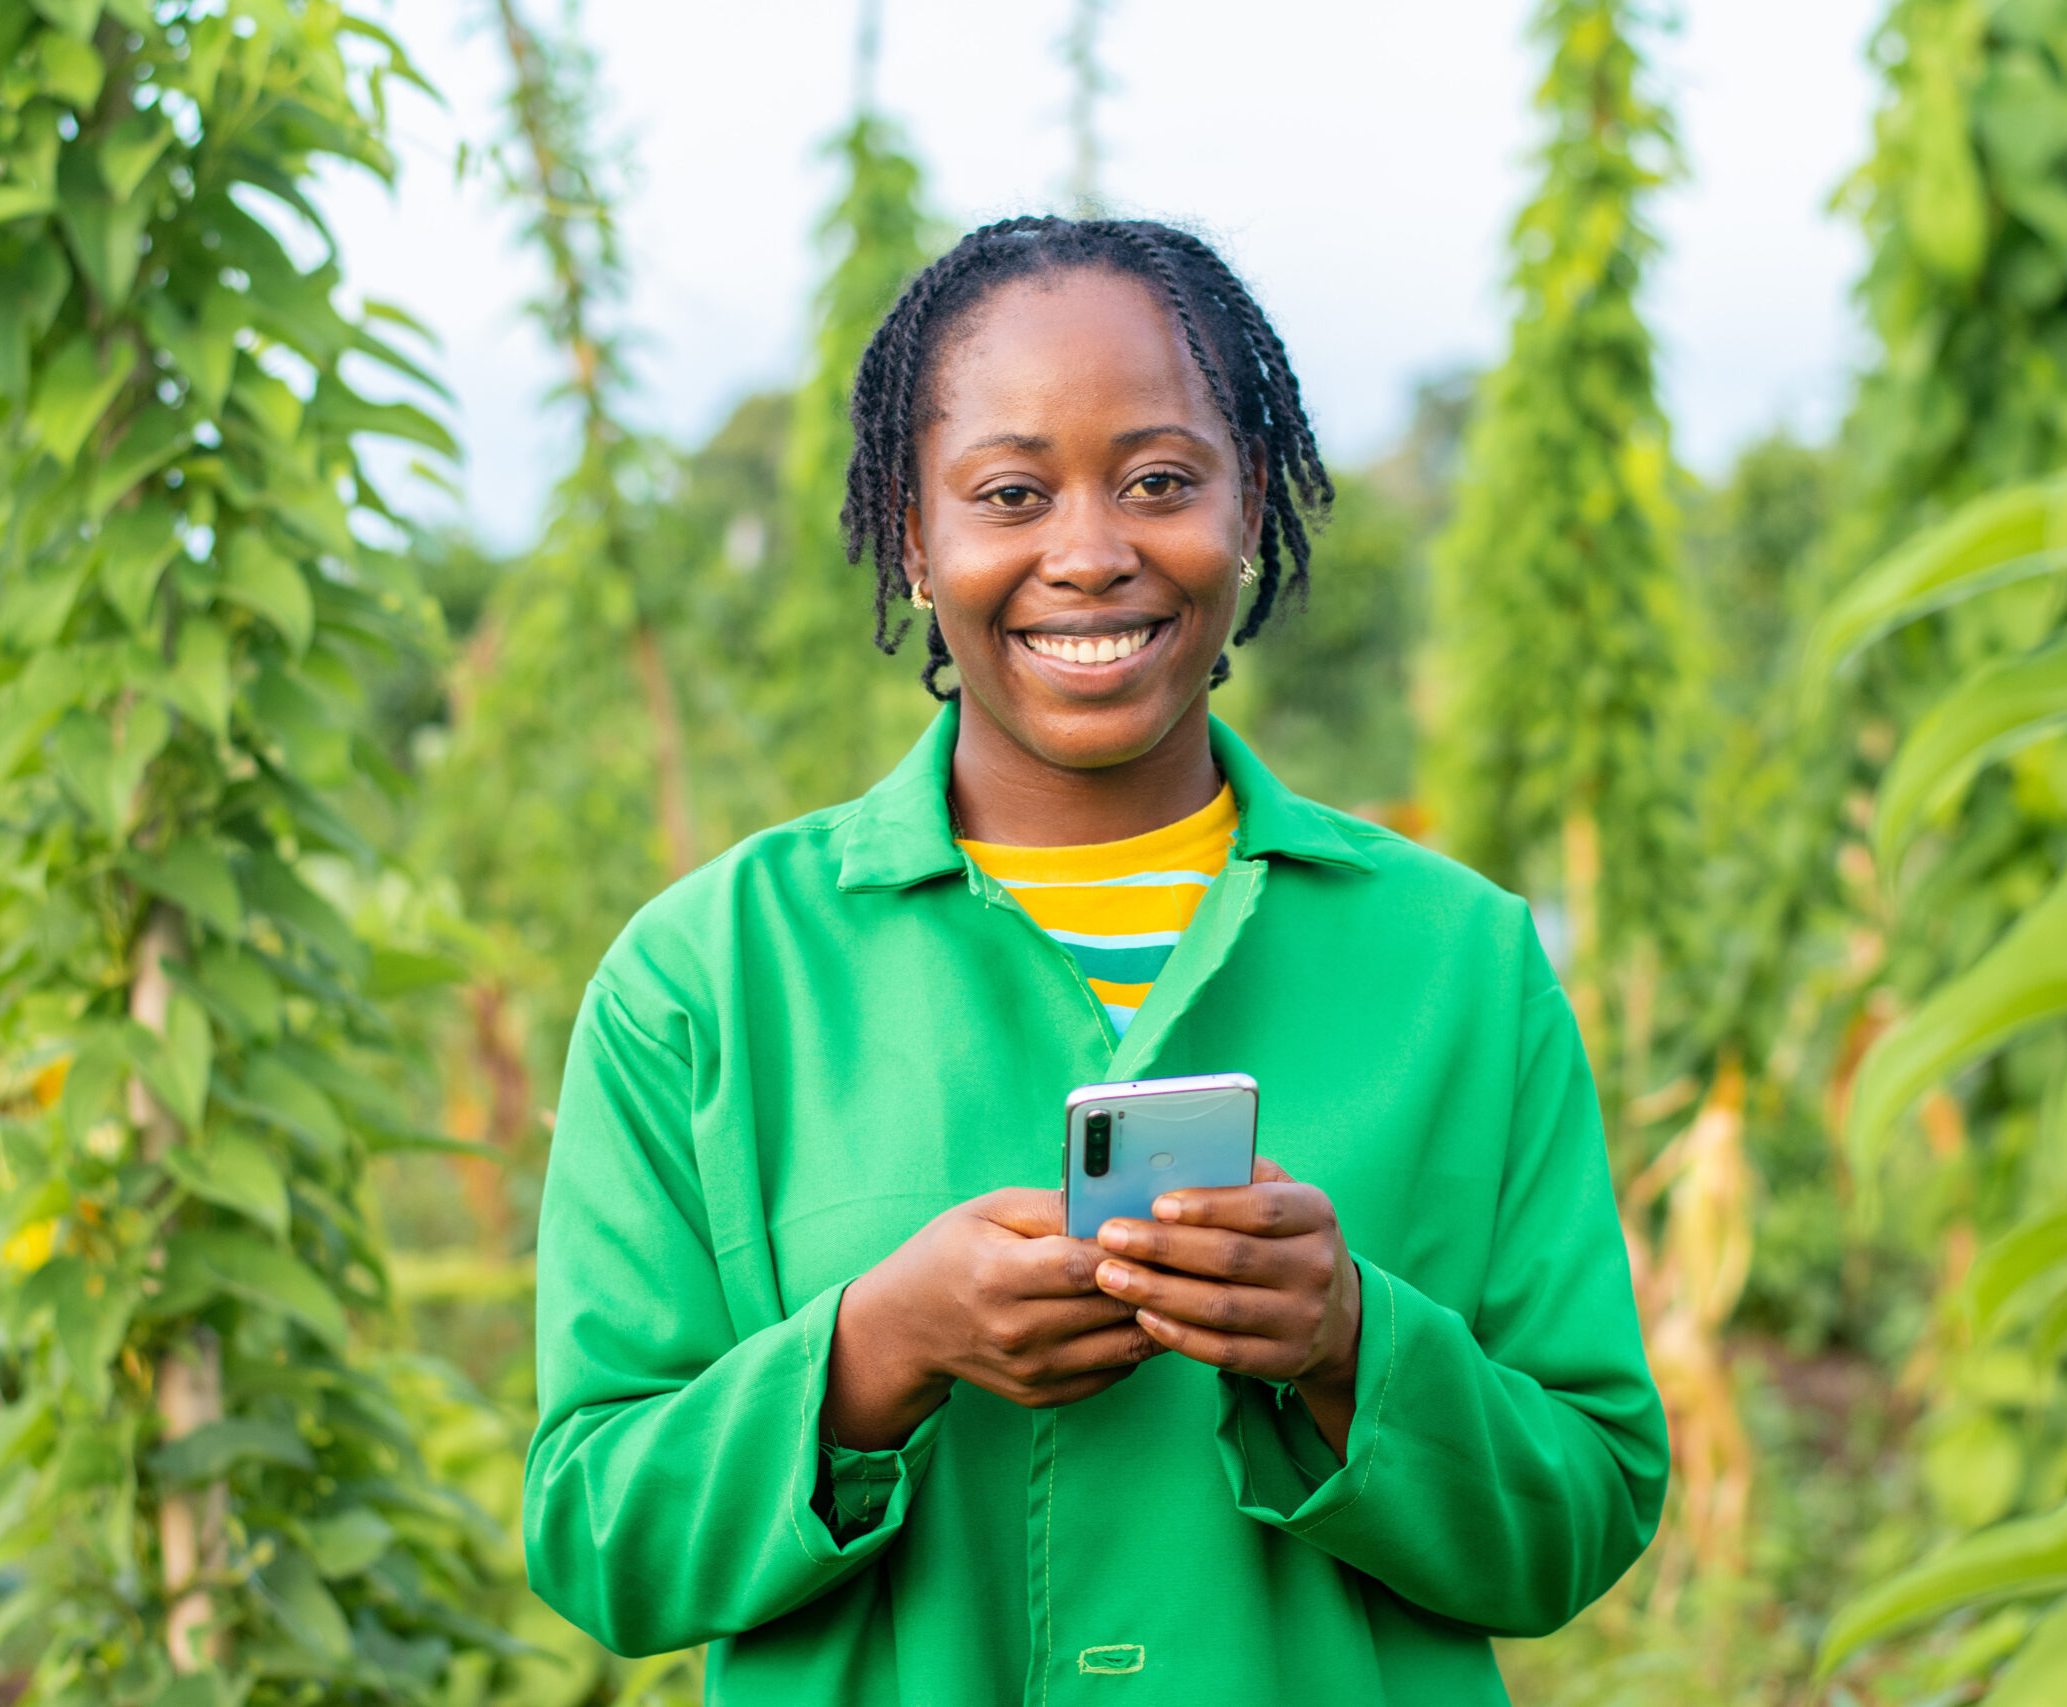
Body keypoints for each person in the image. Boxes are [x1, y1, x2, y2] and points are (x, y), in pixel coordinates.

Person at [523, 216, 1666, 1705]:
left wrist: (1349, 1347)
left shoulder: (1460, 962)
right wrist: (876, 1352)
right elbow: (599, 1537)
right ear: (913, 535)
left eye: (1161, 481)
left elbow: (1581, 1516)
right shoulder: (708, 980)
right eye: (1010, 493)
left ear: (1249, 504)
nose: (1091, 552)